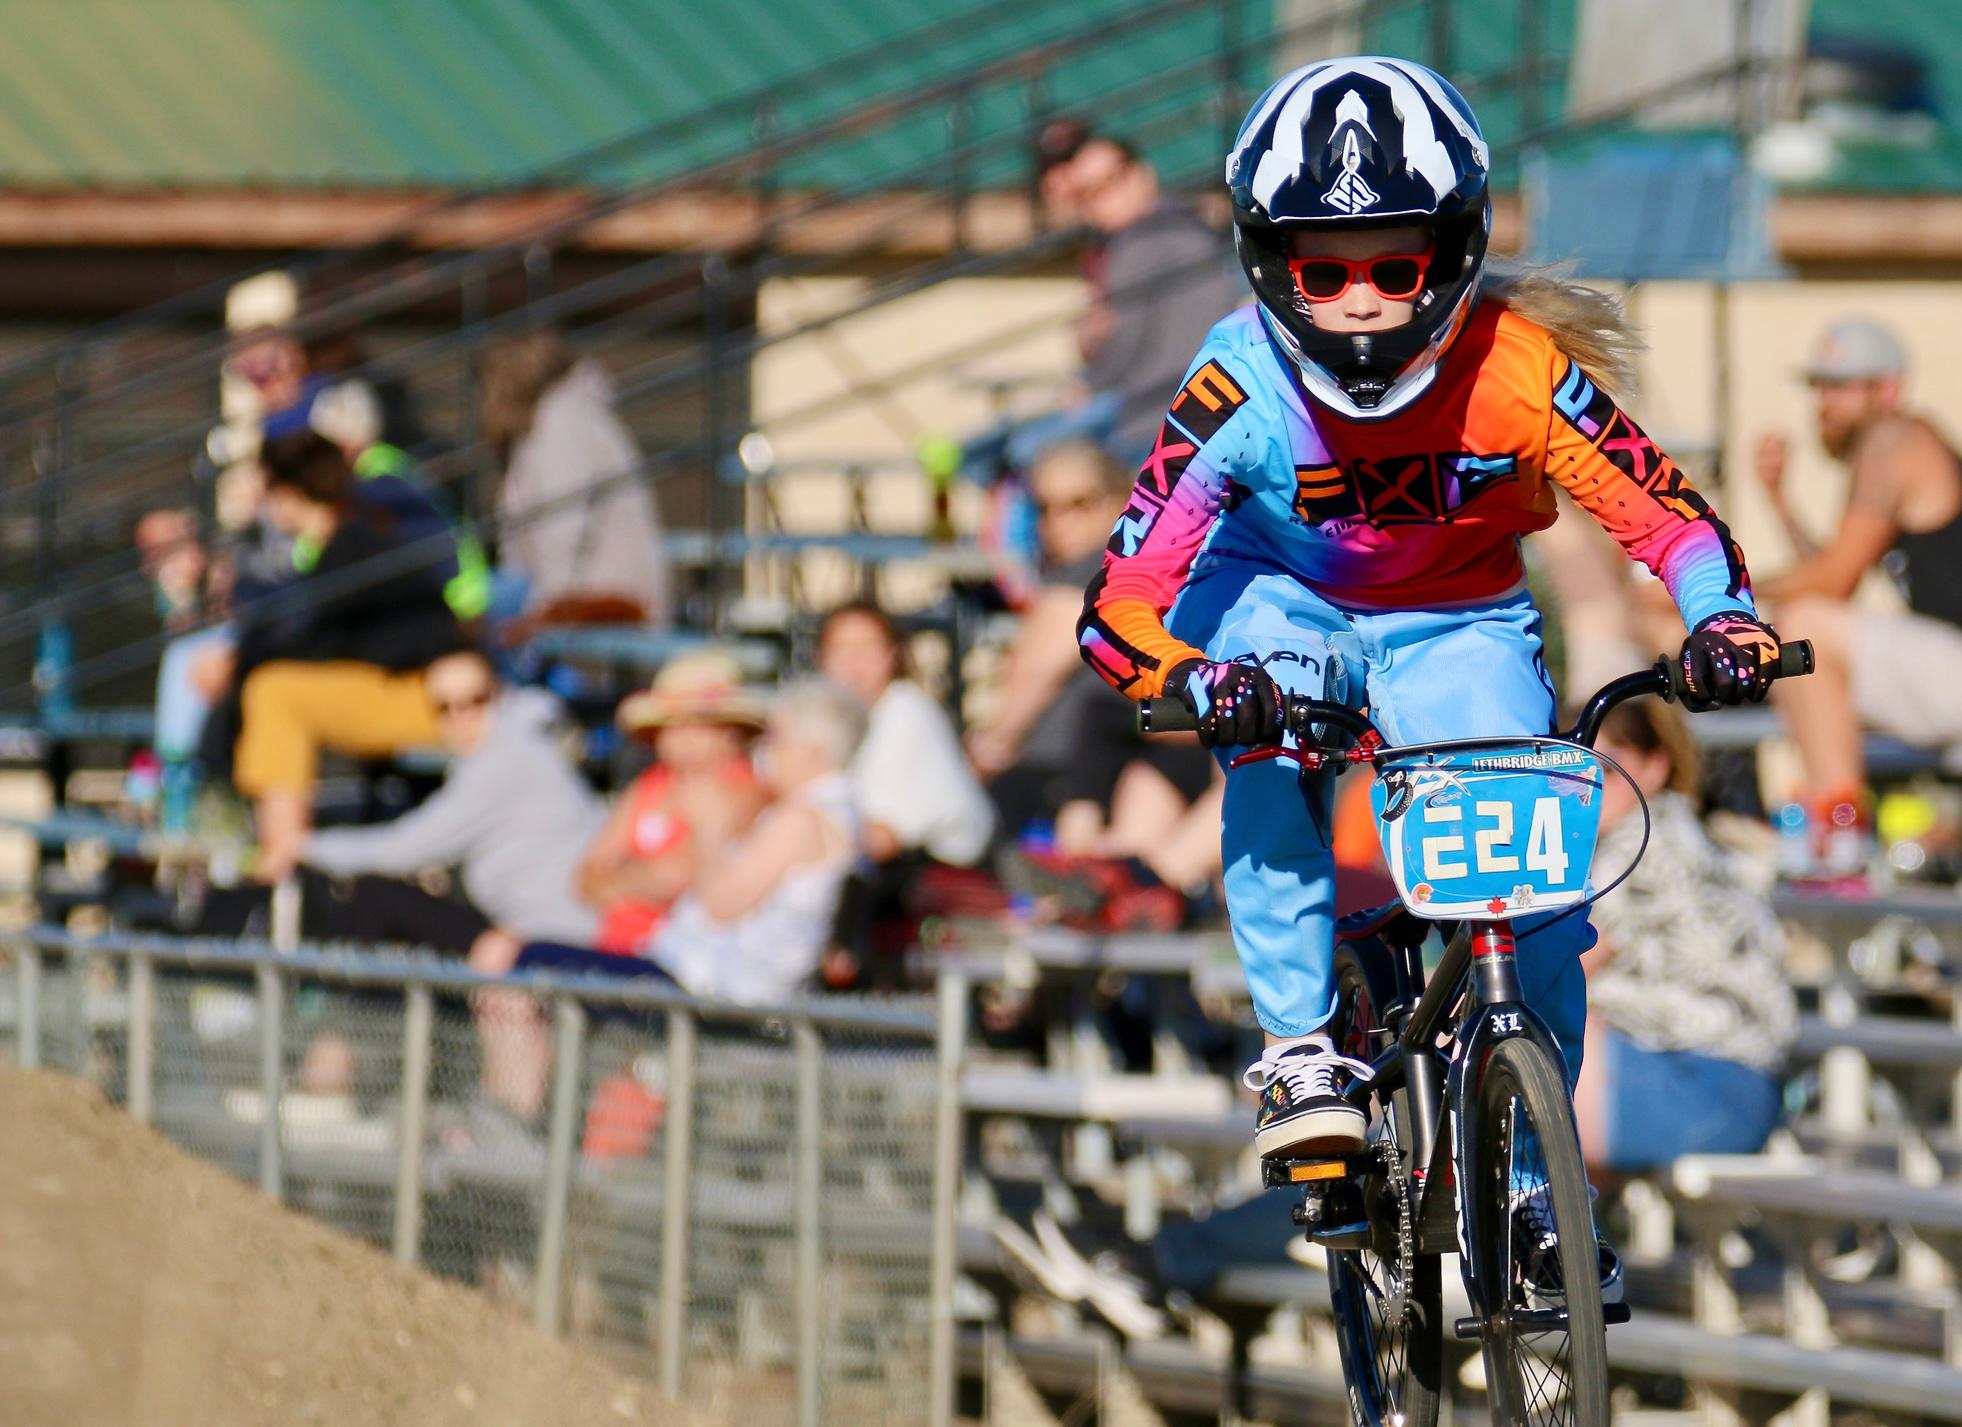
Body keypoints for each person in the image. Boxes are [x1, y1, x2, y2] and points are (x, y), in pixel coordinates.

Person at [1075, 59, 1780, 1285]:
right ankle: (1302, 1046)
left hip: (1458, 619)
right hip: (1279, 599)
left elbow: (1671, 519)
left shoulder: (1519, 369)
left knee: (1537, 897)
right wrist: (1190, 676)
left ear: (1451, 252)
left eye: (1393, 267)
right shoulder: (1235, 382)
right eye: (1324, 271)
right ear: (1268, 262)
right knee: (1268, 754)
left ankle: (1535, 1182)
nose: (1358, 305)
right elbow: (1120, 599)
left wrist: (1723, 621)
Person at [214, 432, 461, 879]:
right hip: (407, 688)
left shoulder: (353, 545)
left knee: (273, 692)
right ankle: (272, 850)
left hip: (441, 701)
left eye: (269, 490)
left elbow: (312, 644)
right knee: (268, 686)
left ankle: (281, 860)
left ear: (289, 492)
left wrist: (237, 663)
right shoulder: (350, 539)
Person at [1754, 319, 1962, 848]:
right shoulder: (1892, 442)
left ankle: (1841, 838)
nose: (1824, 402)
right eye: (1819, 386)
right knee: (1799, 638)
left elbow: (1832, 582)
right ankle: (1831, 833)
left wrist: (1712, 591)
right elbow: (1831, 579)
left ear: (1888, 389)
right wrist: (1780, 503)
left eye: (1840, 386)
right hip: (1947, 666)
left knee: (1803, 632)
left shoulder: (1894, 439)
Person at [1575, 700, 1795, 1171]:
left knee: (1535, 1029)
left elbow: (1560, 972)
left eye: (1606, 771)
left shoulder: (1641, 843)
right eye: (1570, 775)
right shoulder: (1676, 828)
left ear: (1655, 768)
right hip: (1734, 1088)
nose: (1586, 790)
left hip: (1707, 1086)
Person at [971, 439, 1214, 851]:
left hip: (1068, 765)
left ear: (1118, 498)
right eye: (1045, 508)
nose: (1058, 522)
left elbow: (1037, 670)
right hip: (1106, 757)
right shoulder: (1132, 566)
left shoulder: (1098, 571)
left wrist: (993, 744)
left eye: (1078, 504)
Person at [300, 649, 604, 956]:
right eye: (444, 707)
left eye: (476, 700)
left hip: (556, 938)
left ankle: (332, 984)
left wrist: (304, 847)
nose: (460, 717)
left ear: (499, 693)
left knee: (377, 896)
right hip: (532, 929)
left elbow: (403, 850)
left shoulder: (505, 761)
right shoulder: (517, 746)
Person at [1034, 123, 1244, 464]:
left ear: (1142, 174)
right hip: (1183, 407)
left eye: (1110, 181)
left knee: (1024, 451)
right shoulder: (1180, 224)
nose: (1101, 198)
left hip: (1156, 415)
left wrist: (1087, 383)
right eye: (1087, 192)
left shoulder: (1145, 238)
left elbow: (1123, 345)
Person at [576, 652, 770, 954]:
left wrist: (620, 878)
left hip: (685, 955)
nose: (681, 738)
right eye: (671, 726)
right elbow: (586, 877)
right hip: (618, 945)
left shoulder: (743, 791)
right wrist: (642, 880)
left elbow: (680, 875)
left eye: (696, 725)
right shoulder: (650, 785)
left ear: (731, 732)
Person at [480, 331, 673, 627]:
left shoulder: (561, 425)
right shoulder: (567, 417)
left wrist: (541, 612)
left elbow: (562, 528)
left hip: (603, 601)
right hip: (583, 593)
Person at [817, 602, 994, 867]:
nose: (853, 662)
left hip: (940, 874)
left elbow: (882, 838)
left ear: (892, 654)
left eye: (866, 648)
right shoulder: (837, 719)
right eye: (840, 649)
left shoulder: (905, 711)